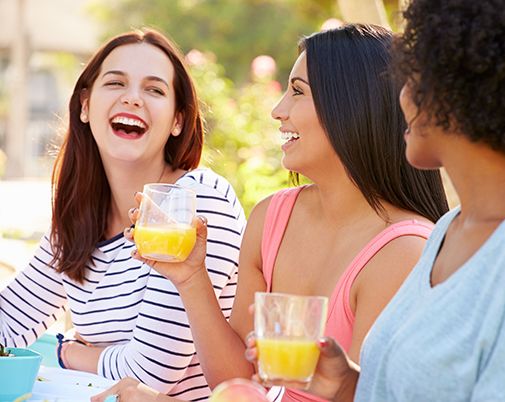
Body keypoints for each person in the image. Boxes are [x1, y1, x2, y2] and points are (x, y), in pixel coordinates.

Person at [253, 0, 505, 401]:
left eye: (413, 78)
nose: (401, 100)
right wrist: (347, 385)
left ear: (461, 91)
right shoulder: (452, 228)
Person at [92, 23, 449, 402]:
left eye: (298, 92)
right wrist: (191, 278)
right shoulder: (273, 217)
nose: (278, 111)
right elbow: (239, 380)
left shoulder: (402, 251)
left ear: (353, 105)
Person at [0, 29, 245, 401]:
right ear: (84, 105)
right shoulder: (78, 218)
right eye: (116, 83)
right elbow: (9, 322)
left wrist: (70, 352)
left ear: (178, 119)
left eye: (155, 90)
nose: (132, 98)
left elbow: (150, 372)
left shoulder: (195, 202)